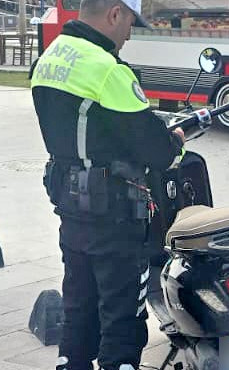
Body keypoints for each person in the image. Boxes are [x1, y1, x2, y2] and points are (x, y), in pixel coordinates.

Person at [29, 0, 186, 369]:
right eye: (130, 21)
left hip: (71, 210)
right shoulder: (107, 69)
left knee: (79, 310)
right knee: (122, 320)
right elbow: (154, 149)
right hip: (114, 217)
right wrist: (175, 142)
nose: (130, 32)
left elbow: (93, 131)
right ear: (115, 13)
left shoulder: (50, 59)